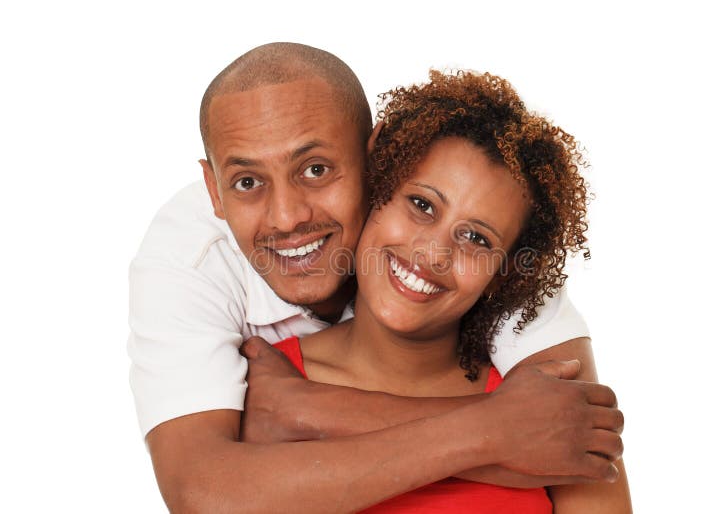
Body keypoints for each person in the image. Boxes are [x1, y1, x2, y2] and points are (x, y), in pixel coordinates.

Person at [129, 43, 624, 512]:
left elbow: (576, 438)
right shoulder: (191, 264)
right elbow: (204, 493)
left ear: (377, 161)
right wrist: (495, 432)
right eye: (247, 182)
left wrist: (310, 411)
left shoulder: (507, 252)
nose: (285, 217)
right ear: (215, 190)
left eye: (316, 169)